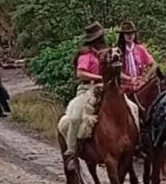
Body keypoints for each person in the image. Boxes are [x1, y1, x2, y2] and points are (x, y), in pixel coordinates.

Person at [63, 22, 108, 172]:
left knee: (131, 108)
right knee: (75, 117)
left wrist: (128, 79)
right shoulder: (85, 54)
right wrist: (99, 77)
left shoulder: (106, 52)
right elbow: (80, 73)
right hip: (87, 88)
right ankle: (71, 153)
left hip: (106, 87)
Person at [117, 21, 156, 93]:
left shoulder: (140, 49)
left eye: (132, 33)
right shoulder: (118, 51)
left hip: (139, 84)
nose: (130, 36)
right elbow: (116, 71)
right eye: (127, 34)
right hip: (123, 86)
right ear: (123, 35)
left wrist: (145, 79)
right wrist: (130, 79)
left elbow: (153, 64)